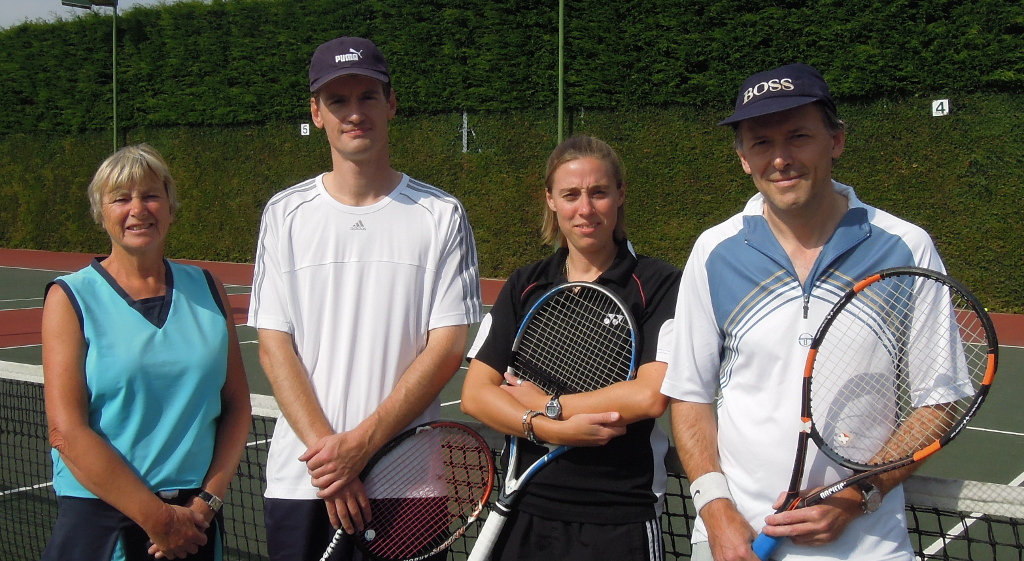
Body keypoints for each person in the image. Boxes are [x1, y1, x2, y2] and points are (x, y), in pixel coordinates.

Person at [660, 63, 948, 561]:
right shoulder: (713, 251)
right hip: (734, 543)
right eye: (761, 143)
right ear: (743, 158)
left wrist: (859, 495)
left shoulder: (907, 247)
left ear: (835, 141)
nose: (781, 158)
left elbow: (937, 402)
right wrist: (714, 509)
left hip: (869, 546)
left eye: (799, 136)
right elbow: (689, 394)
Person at [248, 36, 482, 561]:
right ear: (317, 112)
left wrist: (361, 447)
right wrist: (334, 464)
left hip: (408, 485)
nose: (354, 113)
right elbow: (273, 347)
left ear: (391, 103)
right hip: (303, 481)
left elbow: (446, 348)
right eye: (338, 101)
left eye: (367, 97)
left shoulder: (441, 215)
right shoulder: (283, 215)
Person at [461, 135, 681, 561]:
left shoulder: (659, 284)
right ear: (551, 200)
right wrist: (547, 427)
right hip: (526, 505)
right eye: (571, 195)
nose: (585, 209)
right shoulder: (525, 283)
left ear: (620, 194)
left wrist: (551, 404)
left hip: (621, 515)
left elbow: (649, 396)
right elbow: (475, 394)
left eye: (599, 192)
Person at [40, 144, 252, 561]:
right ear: (102, 213)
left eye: (151, 195)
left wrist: (207, 502)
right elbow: (66, 431)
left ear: (171, 207)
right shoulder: (70, 297)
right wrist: (158, 519)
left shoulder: (208, 288)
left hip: (195, 521)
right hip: (103, 521)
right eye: (121, 198)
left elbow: (237, 405)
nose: (138, 209)